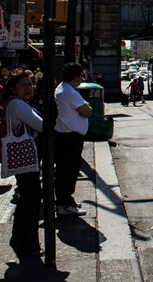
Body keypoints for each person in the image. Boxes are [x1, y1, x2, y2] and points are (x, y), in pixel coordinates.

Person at [2, 72, 44, 259]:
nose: (28, 88)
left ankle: (19, 239)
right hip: (26, 158)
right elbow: (41, 125)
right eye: (23, 85)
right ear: (12, 88)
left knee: (27, 198)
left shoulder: (16, 103)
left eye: (30, 84)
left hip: (25, 158)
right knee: (31, 199)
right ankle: (27, 245)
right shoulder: (18, 104)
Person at [54, 62, 92, 217]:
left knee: (65, 169)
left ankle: (66, 200)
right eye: (81, 76)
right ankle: (64, 203)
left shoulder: (62, 89)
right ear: (75, 77)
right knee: (69, 170)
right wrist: (87, 108)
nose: (82, 79)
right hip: (70, 137)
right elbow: (87, 112)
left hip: (66, 135)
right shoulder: (70, 92)